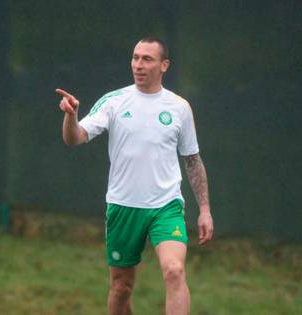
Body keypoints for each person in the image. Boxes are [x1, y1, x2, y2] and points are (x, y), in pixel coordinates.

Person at [56, 37, 213, 315]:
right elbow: (75, 138)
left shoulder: (179, 107)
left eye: (147, 59)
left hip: (166, 207)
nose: (138, 65)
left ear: (164, 65)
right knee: (121, 288)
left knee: (174, 271)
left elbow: (192, 160)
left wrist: (204, 210)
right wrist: (71, 116)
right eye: (135, 58)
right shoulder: (115, 101)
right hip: (123, 207)